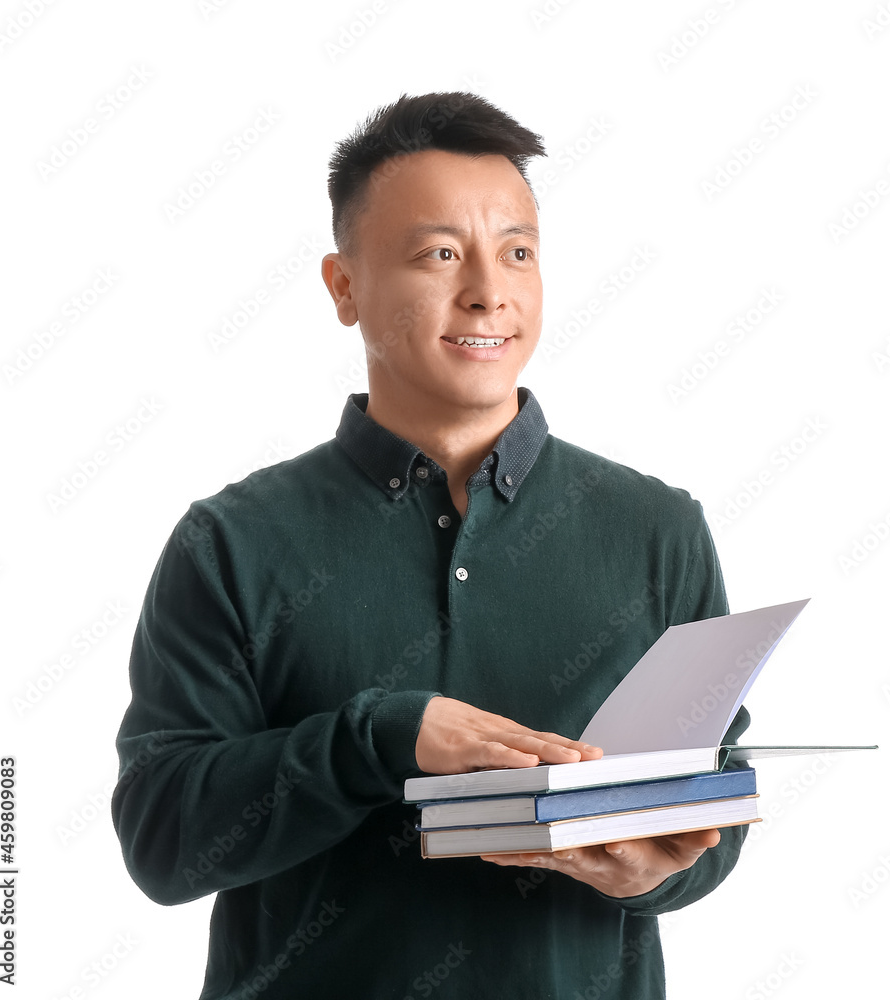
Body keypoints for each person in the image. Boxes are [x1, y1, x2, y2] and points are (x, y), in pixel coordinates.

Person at [112, 91, 750, 999]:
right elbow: (162, 843)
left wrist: (659, 870)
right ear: (344, 286)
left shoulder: (657, 529)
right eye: (441, 253)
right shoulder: (232, 542)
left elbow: (714, 792)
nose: (490, 290)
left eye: (518, 252)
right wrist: (376, 739)